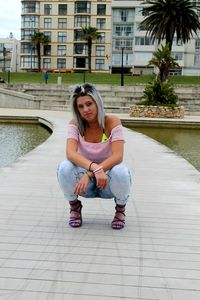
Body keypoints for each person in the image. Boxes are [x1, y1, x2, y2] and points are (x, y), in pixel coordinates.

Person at [57, 83, 131, 229]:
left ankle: (120, 210)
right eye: (81, 106)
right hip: (85, 185)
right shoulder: (75, 124)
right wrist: (94, 169)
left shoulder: (112, 122)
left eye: (89, 104)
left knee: (121, 171)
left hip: (108, 181)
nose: (86, 109)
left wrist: (92, 173)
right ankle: (74, 207)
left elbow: (118, 156)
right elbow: (70, 153)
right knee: (64, 167)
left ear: (97, 102)